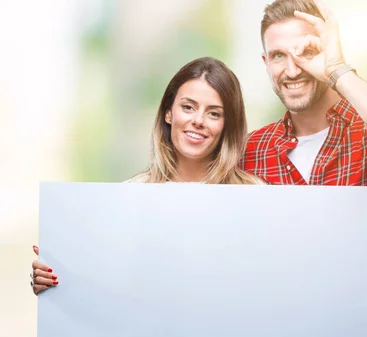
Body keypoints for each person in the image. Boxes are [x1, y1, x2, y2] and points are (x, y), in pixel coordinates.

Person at [30, 56, 264, 295]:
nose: (198, 121)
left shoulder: (255, 197)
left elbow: (262, 284)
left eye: (214, 114)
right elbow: (109, 284)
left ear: (228, 125)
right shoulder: (130, 194)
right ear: (168, 114)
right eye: (188, 107)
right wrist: (56, 281)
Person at [241, 0, 367, 186]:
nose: (292, 71)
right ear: (266, 63)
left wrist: (336, 70)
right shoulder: (250, 151)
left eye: (307, 52)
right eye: (278, 56)